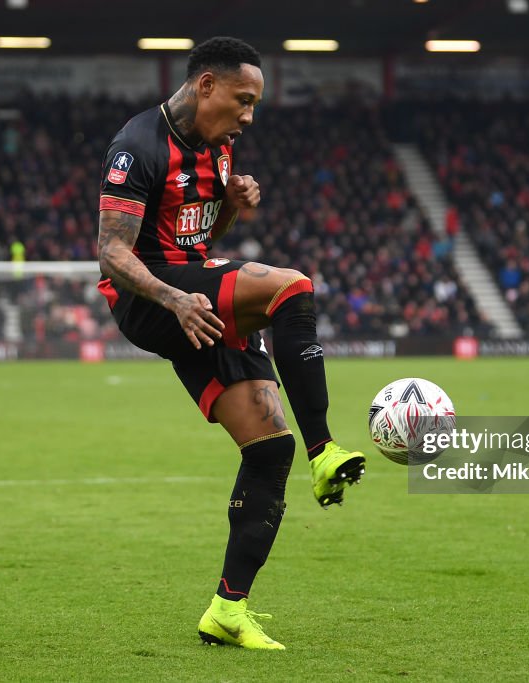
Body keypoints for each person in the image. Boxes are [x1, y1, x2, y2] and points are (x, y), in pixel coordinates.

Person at [95, 37, 365, 650]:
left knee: (270, 449)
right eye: (243, 100)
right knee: (293, 288)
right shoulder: (136, 145)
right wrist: (173, 298)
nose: (249, 115)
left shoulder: (220, 150)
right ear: (206, 85)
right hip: (151, 299)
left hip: (197, 295)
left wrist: (234, 209)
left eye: (255, 105)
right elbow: (112, 253)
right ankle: (327, 449)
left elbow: (200, 234)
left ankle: (227, 610)